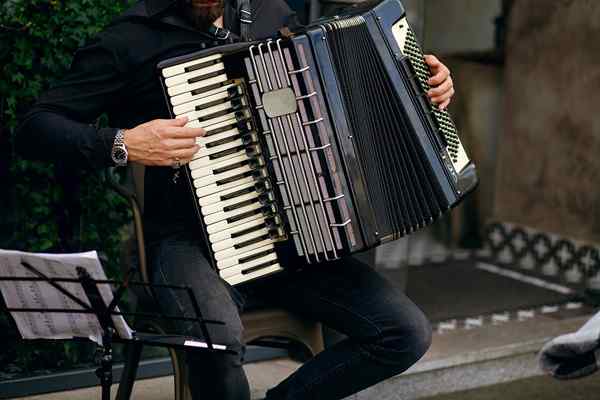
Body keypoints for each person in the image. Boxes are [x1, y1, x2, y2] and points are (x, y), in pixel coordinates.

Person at [16, 1, 455, 399]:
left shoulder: (268, 15)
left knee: (404, 332)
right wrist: (123, 143)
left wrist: (420, 82)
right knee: (217, 340)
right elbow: (35, 128)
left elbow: (329, 85)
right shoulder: (128, 39)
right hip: (187, 242)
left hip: (287, 235)